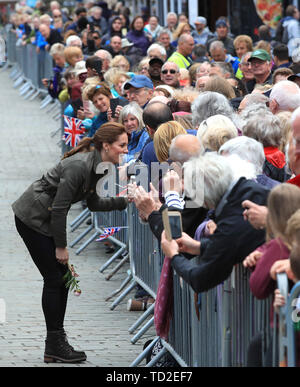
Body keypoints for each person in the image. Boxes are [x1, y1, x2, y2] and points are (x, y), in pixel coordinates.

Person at [12, 123, 128, 364]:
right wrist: (61, 247)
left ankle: (55, 343)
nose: (125, 151)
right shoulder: (80, 165)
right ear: (106, 145)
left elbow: (94, 203)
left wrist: (125, 201)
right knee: (55, 279)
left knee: (63, 279)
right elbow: (60, 208)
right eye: (122, 145)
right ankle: (54, 344)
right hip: (32, 217)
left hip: (46, 216)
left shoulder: (101, 165)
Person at [160, 152, 269, 293]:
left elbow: (200, 279)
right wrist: (199, 246)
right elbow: (229, 244)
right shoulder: (245, 189)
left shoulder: (231, 221)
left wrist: (173, 255)